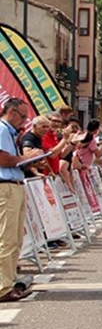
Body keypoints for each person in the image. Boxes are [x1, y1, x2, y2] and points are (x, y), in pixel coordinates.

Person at [0, 98, 36, 301]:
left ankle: (9, 279)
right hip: (5, 187)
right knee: (6, 238)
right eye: (22, 117)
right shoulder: (2, 129)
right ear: (12, 112)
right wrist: (24, 159)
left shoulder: (9, 132)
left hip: (14, 186)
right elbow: (3, 158)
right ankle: (3, 286)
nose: (24, 121)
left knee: (14, 239)